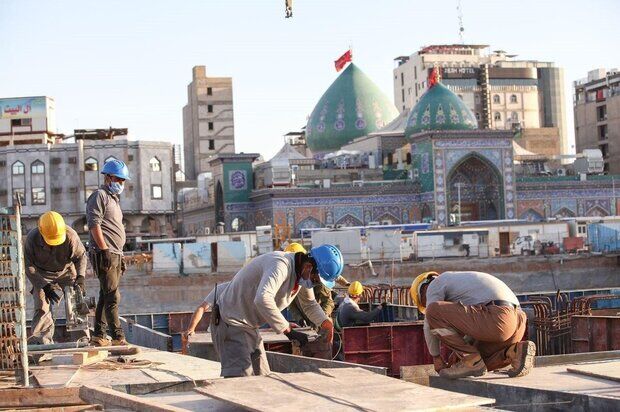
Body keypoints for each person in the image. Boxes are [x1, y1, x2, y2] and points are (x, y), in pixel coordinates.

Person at [194, 244, 341, 378]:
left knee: (264, 376)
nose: (314, 284)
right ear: (308, 267)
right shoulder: (280, 265)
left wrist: (325, 322)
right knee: (241, 380)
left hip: (249, 326)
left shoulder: (301, 276)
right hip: (230, 322)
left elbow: (309, 304)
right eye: (316, 280)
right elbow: (263, 299)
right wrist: (288, 330)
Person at [410, 271, 536, 379]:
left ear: (423, 290)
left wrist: (436, 357)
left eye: (424, 303)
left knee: (433, 312)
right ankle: (514, 352)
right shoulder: (463, 286)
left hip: (498, 318)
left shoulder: (435, 284)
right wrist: (461, 353)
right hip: (517, 322)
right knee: (479, 362)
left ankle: (471, 361)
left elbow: (429, 321)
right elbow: (478, 325)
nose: (427, 305)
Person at [24, 211, 87, 344]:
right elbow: (28, 266)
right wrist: (44, 286)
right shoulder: (32, 239)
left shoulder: (71, 236)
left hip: (66, 272)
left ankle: (81, 340)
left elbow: (81, 257)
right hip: (41, 275)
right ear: (41, 232)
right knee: (42, 307)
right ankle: (43, 344)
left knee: (75, 301)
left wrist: (80, 278)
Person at [86, 158, 130, 347]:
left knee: (106, 294)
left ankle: (99, 335)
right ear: (109, 177)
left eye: (122, 181)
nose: (121, 184)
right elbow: (94, 224)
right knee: (112, 296)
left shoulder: (113, 199)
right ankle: (118, 337)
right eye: (119, 180)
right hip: (105, 252)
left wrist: (120, 254)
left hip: (115, 253)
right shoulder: (99, 196)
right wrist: (104, 250)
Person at [285, 242, 349, 327]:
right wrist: (299, 319)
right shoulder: (291, 280)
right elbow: (291, 305)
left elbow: (328, 301)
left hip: (319, 316)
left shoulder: (317, 280)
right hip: (307, 320)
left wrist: (322, 319)